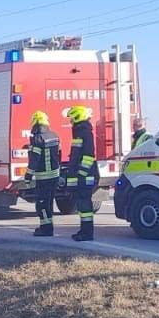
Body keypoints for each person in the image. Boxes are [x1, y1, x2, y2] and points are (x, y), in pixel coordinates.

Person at [64, 104, 99, 242]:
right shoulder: (80, 132)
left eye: (72, 118)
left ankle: (87, 233)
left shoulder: (84, 132)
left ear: (77, 117)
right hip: (83, 175)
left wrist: (80, 174)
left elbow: (88, 156)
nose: (70, 121)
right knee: (82, 206)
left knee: (85, 206)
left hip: (85, 176)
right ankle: (84, 231)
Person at [26, 110, 61, 237]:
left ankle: (46, 229)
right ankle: (48, 227)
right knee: (49, 202)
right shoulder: (54, 135)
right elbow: (58, 155)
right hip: (54, 175)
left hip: (43, 177)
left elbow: (34, 159)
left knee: (42, 203)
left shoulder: (37, 138)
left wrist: (28, 176)